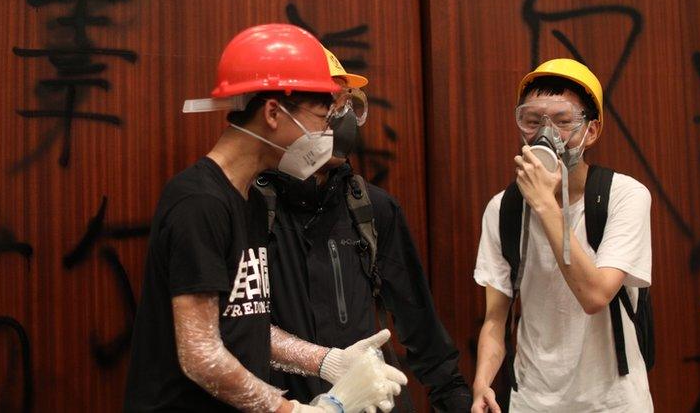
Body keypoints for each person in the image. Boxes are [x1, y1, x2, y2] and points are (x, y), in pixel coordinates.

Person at [123, 23, 406, 413]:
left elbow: (243, 325)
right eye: (323, 118)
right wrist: (293, 411)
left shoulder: (253, 201)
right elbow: (201, 352)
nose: (328, 134)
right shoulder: (199, 202)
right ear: (273, 111)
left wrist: (327, 361)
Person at [261, 49, 472, 412]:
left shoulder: (371, 208)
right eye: (328, 109)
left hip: (374, 404)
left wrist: (456, 401)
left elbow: (420, 327)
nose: (340, 123)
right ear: (279, 116)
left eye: (347, 108)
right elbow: (230, 330)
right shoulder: (249, 209)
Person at [471, 59, 653, 412]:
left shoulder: (626, 196)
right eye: (532, 120)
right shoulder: (502, 208)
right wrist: (482, 383)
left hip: (614, 403)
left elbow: (595, 295)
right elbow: (496, 317)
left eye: (563, 121)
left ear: (592, 130)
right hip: (533, 400)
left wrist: (544, 205)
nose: (546, 134)